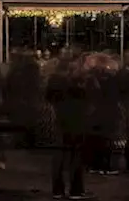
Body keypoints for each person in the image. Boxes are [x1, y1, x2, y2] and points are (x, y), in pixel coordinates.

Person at [48, 57, 88, 200]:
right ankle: (76, 190)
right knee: (76, 155)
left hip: (60, 119)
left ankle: (57, 189)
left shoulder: (54, 81)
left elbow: (49, 97)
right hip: (76, 120)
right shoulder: (79, 83)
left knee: (59, 155)